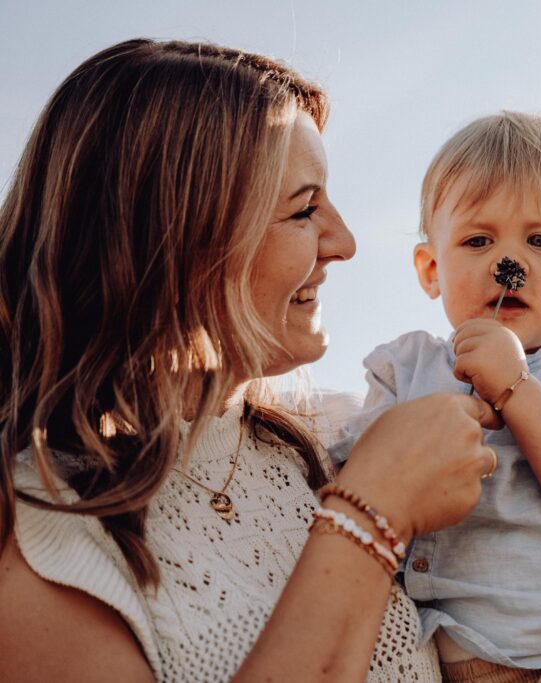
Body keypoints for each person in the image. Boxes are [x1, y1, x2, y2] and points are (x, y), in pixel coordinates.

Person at [0, 38, 504, 682]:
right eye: (303, 209)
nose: (344, 243)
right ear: (176, 242)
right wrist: (369, 515)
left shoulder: (335, 443)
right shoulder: (42, 532)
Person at [330, 112, 541, 681]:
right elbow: (364, 484)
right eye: (477, 240)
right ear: (431, 268)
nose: (507, 266)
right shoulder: (404, 369)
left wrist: (516, 387)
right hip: (461, 662)